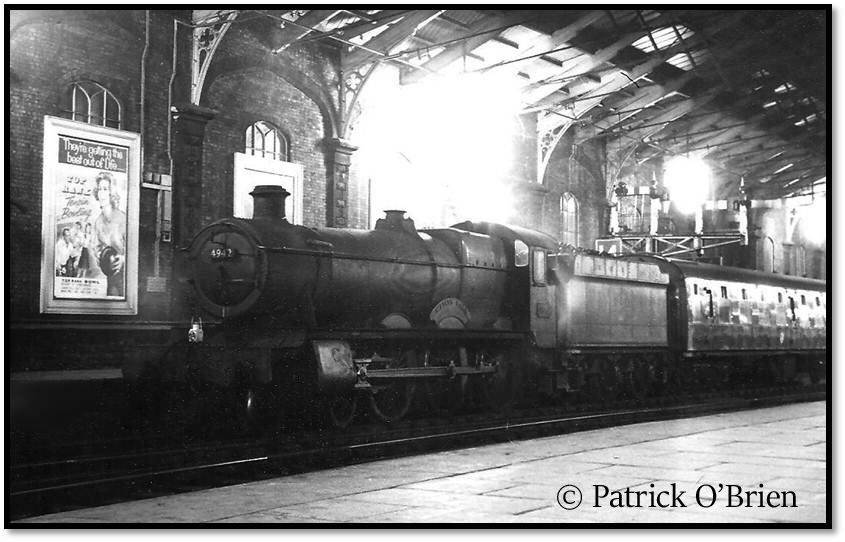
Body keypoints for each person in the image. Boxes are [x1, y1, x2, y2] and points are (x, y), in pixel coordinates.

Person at [92, 172, 127, 296]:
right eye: (100, 189)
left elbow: (134, 248)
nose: (102, 193)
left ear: (111, 193)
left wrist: (124, 259)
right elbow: (96, 248)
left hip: (126, 277)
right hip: (111, 276)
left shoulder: (122, 218)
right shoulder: (98, 222)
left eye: (105, 189)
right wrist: (100, 256)